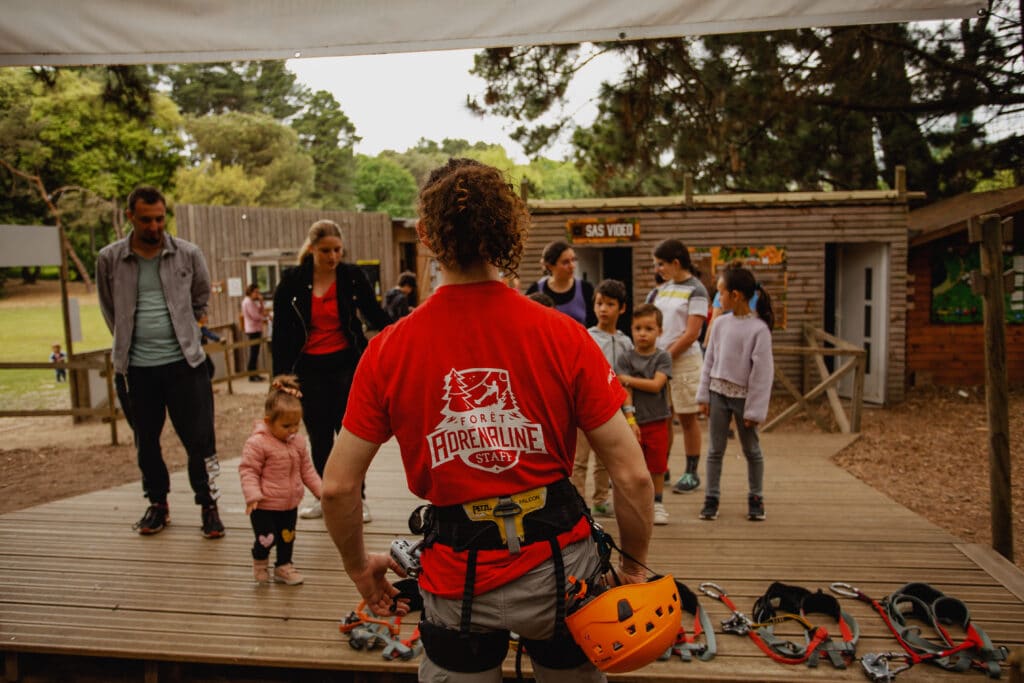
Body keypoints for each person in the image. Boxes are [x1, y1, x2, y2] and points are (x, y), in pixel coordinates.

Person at [320, 159, 654, 681]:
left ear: (426, 236)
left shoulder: (389, 350)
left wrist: (360, 569)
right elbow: (633, 475)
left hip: (458, 582)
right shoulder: (564, 336)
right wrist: (632, 567)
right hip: (564, 573)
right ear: (506, 229)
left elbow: (338, 488)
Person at [96, 185, 224, 538]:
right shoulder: (110, 259)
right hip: (136, 370)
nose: (154, 227)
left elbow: (201, 297)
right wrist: (128, 339)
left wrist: (191, 328)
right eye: (145, 220)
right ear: (130, 217)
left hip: (185, 365)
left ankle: (209, 506)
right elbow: (109, 308)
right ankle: (158, 503)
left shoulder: (187, 254)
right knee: (146, 441)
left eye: (159, 219)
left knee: (201, 440)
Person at [271, 219, 391, 523]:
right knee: (319, 435)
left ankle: (356, 499)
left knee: (349, 434)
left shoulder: (351, 277)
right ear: (312, 249)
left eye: (337, 250)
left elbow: (374, 314)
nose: (333, 256)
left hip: (347, 365)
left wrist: (401, 329)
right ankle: (324, 496)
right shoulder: (292, 281)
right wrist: (280, 377)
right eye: (326, 251)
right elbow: (282, 332)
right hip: (308, 369)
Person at [696, 263, 775, 522]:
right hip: (718, 394)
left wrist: (754, 410)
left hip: (744, 399)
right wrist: (704, 396)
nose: (718, 297)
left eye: (721, 292)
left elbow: (762, 374)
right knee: (714, 450)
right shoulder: (719, 324)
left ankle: (756, 497)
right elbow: (709, 361)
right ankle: (711, 497)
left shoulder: (759, 330)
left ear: (736, 295)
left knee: (751, 449)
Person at [239, 375, 323, 585]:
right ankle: (260, 561)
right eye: (286, 426)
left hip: (289, 503)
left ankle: (283, 566)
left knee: (287, 537)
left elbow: (307, 470)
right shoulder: (258, 443)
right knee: (266, 538)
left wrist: (322, 492)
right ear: (269, 422)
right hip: (264, 504)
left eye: (296, 424)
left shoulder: (298, 443)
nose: (293, 430)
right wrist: (252, 495)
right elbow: (248, 470)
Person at [651, 238, 709, 495]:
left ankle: (691, 470)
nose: (658, 269)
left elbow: (692, 332)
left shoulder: (697, 290)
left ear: (676, 262)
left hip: (684, 362)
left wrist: (664, 356)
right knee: (664, 417)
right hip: (662, 362)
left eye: (661, 264)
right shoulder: (661, 289)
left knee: (687, 417)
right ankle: (662, 467)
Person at [572, 278, 634, 518]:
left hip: (613, 408)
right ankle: (579, 504)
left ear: (622, 308)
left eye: (610, 304)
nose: (603, 309)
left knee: (604, 459)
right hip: (586, 406)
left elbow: (627, 377)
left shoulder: (626, 341)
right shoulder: (586, 336)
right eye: (599, 303)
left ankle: (600, 499)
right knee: (580, 459)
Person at [616, 304, 673, 525]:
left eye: (649, 328)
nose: (642, 333)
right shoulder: (625, 358)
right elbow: (624, 392)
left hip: (658, 419)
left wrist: (628, 379)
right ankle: (638, 503)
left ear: (659, 331)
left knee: (658, 465)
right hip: (633, 422)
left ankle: (658, 503)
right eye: (638, 328)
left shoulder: (663, 357)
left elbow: (657, 385)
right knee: (634, 466)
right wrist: (630, 419)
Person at [525, 240, 596, 327]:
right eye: (565, 262)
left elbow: (594, 324)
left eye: (573, 260)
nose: (572, 266)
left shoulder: (586, 289)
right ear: (550, 266)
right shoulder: (535, 290)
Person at [241, 284, 269, 382]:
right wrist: (265, 318)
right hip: (253, 329)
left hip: (257, 328)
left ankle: (255, 374)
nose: (257, 294)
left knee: (255, 353)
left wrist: (261, 302)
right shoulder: (247, 302)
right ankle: (252, 375)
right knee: (253, 353)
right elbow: (255, 315)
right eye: (256, 292)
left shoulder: (252, 302)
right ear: (251, 292)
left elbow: (260, 311)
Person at [198, 314, 221, 379]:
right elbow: (209, 334)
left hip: (201, 351)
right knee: (210, 368)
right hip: (202, 351)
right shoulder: (200, 327)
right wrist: (219, 339)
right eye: (204, 316)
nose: (206, 318)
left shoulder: (197, 326)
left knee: (208, 368)